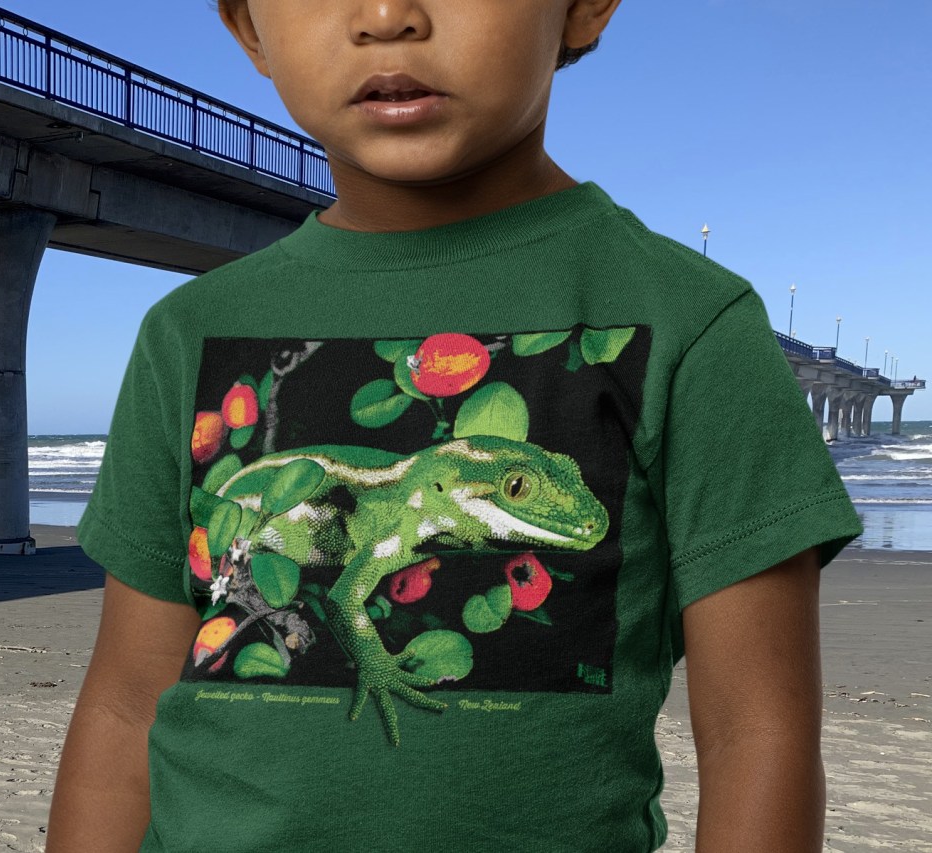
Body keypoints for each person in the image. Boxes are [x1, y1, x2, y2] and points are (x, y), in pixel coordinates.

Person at [47, 1, 862, 851]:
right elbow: (124, 705)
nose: (387, 15)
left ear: (583, 8)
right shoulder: (185, 330)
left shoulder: (695, 323)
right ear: (248, 26)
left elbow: (755, 736)